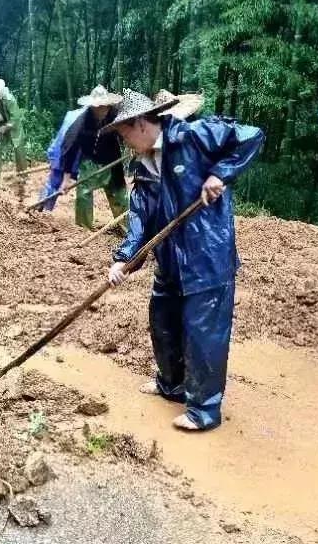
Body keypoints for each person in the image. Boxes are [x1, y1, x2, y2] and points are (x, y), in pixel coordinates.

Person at [104, 89, 264, 432]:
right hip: (170, 262)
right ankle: (172, 385)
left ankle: (204, 411)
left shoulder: (193, 136)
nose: (124, 142)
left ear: (141, 124)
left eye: (124, 134)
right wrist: (123, 260)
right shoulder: (142, 167)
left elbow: (251, 135)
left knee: (203, 333)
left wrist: (220, 173)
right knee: (163, 323)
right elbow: (140, 222)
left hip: (206, 258)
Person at [40, 85, 128, 230]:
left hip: (112, 160)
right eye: (97, 107)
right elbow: (70, 150)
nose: (101, 110)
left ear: (108, 105)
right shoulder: (81, 122)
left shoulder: (116, 115)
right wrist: (66, 180)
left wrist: (133, 148)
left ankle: (127, 228)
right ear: (91, 107)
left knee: (119, 194)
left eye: (104, 106)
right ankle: (83, 227)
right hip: (89, 161)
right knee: (84, 194)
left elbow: (127, 132)